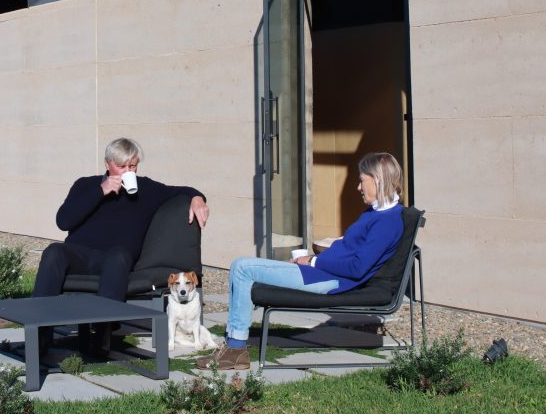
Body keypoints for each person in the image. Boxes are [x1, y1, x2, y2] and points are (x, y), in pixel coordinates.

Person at [196, 151, 405, 370]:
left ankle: (235, 348)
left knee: (242, 268)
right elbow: (352, 250)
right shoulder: (375, 213)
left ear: (378, 179)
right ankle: (234, 346)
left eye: (362, 181)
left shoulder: (387, 223)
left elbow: (357, 267)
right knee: (243, 268)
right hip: (322, 271)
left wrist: (314, 262)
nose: (358, 187)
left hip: (328, 279)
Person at [33, 138, 210, 349]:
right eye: (121, 166)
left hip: (116, 259)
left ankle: (103, 333)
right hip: (80, 254)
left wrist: (198, 198)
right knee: (54, 251)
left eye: (132, 166)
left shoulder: (146, 188)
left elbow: (182, 190)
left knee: (118, 256)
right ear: (108, 164)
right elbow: (63, 221)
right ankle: (39, 333)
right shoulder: (85, 184)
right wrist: (101, 191)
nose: (128, 172)